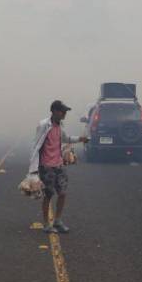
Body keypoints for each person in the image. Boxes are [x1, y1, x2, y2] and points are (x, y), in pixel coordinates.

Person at [28, 100, 89, 234]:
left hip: (58, 165)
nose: (65, 114)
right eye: (63, 111)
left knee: (62, 193)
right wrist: (33, 170)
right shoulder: (44, 125)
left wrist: (80, 139)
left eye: (65, 112)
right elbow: (35, 146)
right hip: (46, 166)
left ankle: (58, 221)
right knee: (48, 195)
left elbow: (65, 138)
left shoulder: (60, 125)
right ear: (55, 111)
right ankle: (46, 224)